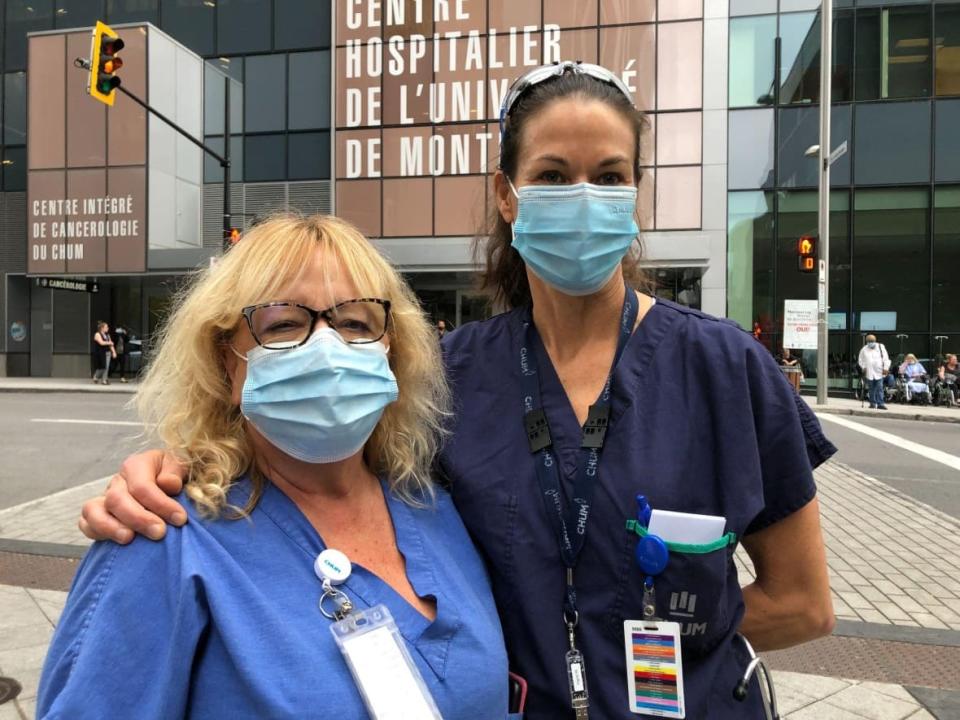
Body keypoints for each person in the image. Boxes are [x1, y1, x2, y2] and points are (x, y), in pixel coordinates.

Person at [79, 63, 836, 719]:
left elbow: (805, 602)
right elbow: (317, 465)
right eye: (550, 176)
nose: (582, 197)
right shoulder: (452, 375)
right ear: (507, 197)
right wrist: (167, 469)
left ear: (636, 194)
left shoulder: (726, 367)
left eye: (609, 177)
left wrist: (645, 653)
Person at [41, 215, 510, 719]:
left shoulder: (435, 506)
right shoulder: (162, 537)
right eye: (284, 323)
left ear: (391, 350)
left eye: (355, 322)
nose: (327, 347)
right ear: (227, 360)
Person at [858, 334, 890, 409]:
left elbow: (886, 358)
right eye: (869, 341)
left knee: (879, 387)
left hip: (879, 372)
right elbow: (860, 360)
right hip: (869, 372)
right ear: (866, 341)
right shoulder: (864, 349)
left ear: (875, 341)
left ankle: (880, 404)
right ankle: (872, 403)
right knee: (871, 389)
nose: (870, 342)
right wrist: (863, 367)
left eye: (872, 341)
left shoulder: (881, 347)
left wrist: (886, 368)